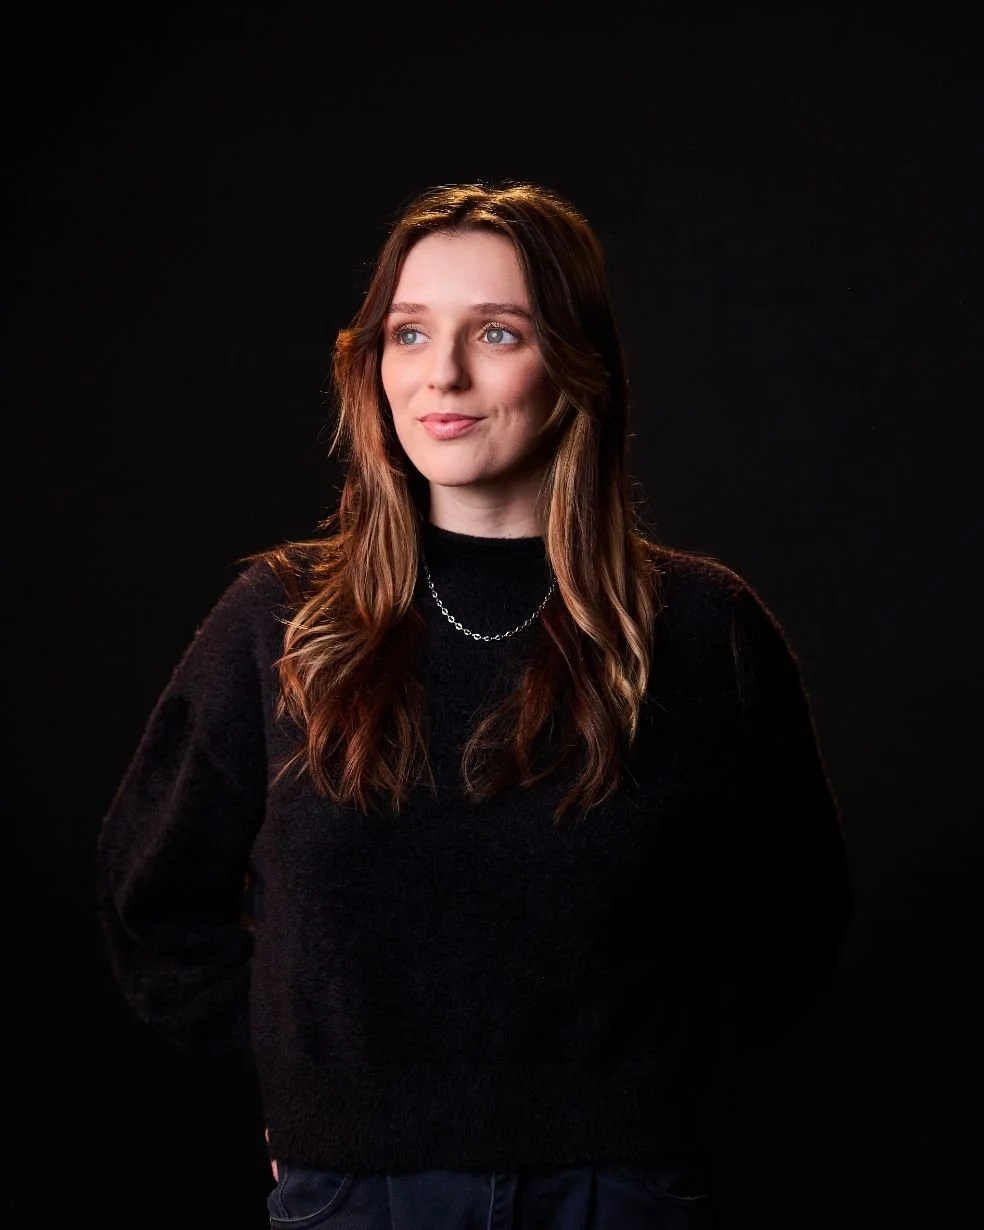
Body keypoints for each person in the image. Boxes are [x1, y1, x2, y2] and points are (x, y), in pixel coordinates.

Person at [97, 181, 853, 1229]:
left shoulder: (697, 627)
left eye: (496, 332)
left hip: (623, 1189)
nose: (440, 373)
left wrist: (648, 1086)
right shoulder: (279, 622)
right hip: (354, 1192)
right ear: (373, 365)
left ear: (576, 367)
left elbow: (797, 921)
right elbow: (154, 903)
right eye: (409, 333)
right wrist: (313, 1079)